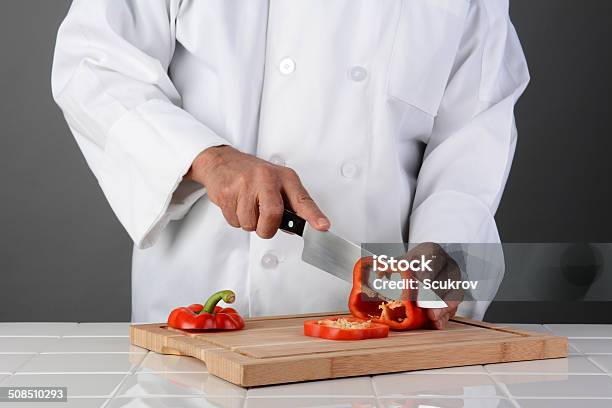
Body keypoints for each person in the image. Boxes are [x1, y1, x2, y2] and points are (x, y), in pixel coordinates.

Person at [51, 0, 529, 327]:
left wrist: (444, 243)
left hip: (380, 325)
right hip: (208, 309)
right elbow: (93, 64)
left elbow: (473, 128)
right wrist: (207, 158)